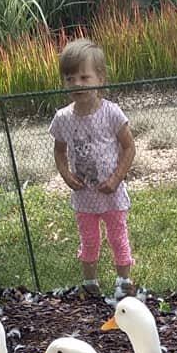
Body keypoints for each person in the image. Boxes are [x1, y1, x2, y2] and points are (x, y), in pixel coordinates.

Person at [49, 38, 136, 300]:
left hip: (111, 193)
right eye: (70, 78)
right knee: (89, 240)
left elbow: (129, 147)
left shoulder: (112, 113)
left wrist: (116, 178)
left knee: (117, 237)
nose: (77, 83)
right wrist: (66, 175)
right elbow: (59, 151)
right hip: (84, 195)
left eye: (84, 77)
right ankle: (90, 283)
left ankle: (124, 282)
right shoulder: (63, 118)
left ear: (100, 78)